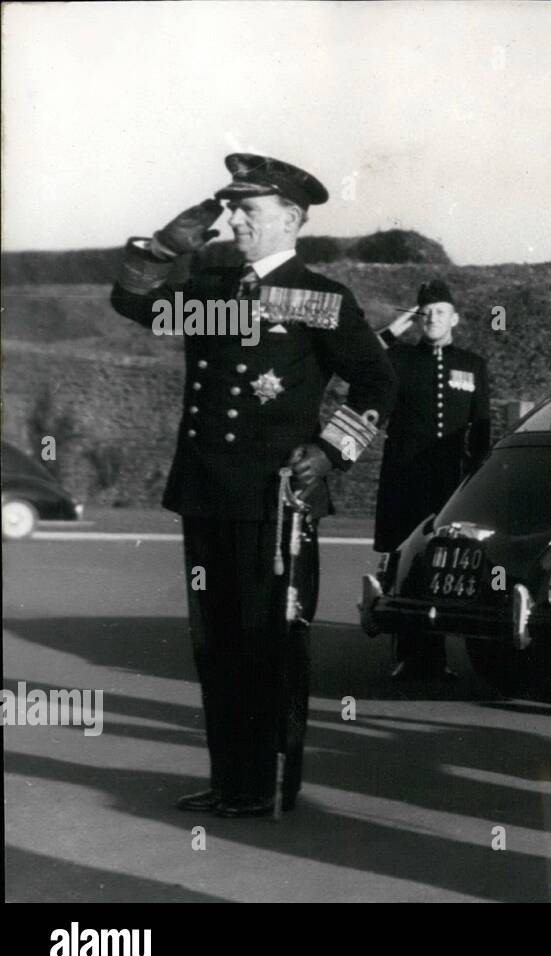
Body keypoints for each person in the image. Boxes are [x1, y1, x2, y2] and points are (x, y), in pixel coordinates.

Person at [110, 154, 397, 818]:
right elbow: (132, 301)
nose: (235, 219)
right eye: (231, 208)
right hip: (208, 491)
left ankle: (269, 782)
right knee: (217, 644)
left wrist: (331, 448)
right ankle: (231, 778)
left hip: (275, 500)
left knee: (268, 643)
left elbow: (380, 382)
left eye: (250, 210)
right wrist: (159, 248)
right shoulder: (213, 294)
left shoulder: (317, 298)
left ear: (290, 219)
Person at [373, 278, 492, 681]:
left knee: (442, 567)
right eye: (424, 312)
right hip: (405, 479)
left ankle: (437, 656)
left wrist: (477, 479)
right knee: (407, 566)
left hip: (449, 484)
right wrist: (393, 330)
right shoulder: (400, 359)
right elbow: (365, 356)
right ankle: (407, 654)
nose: (431, 318)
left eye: (439, 311)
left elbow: (481, 428)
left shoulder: (472, 365)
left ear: (454, 317)